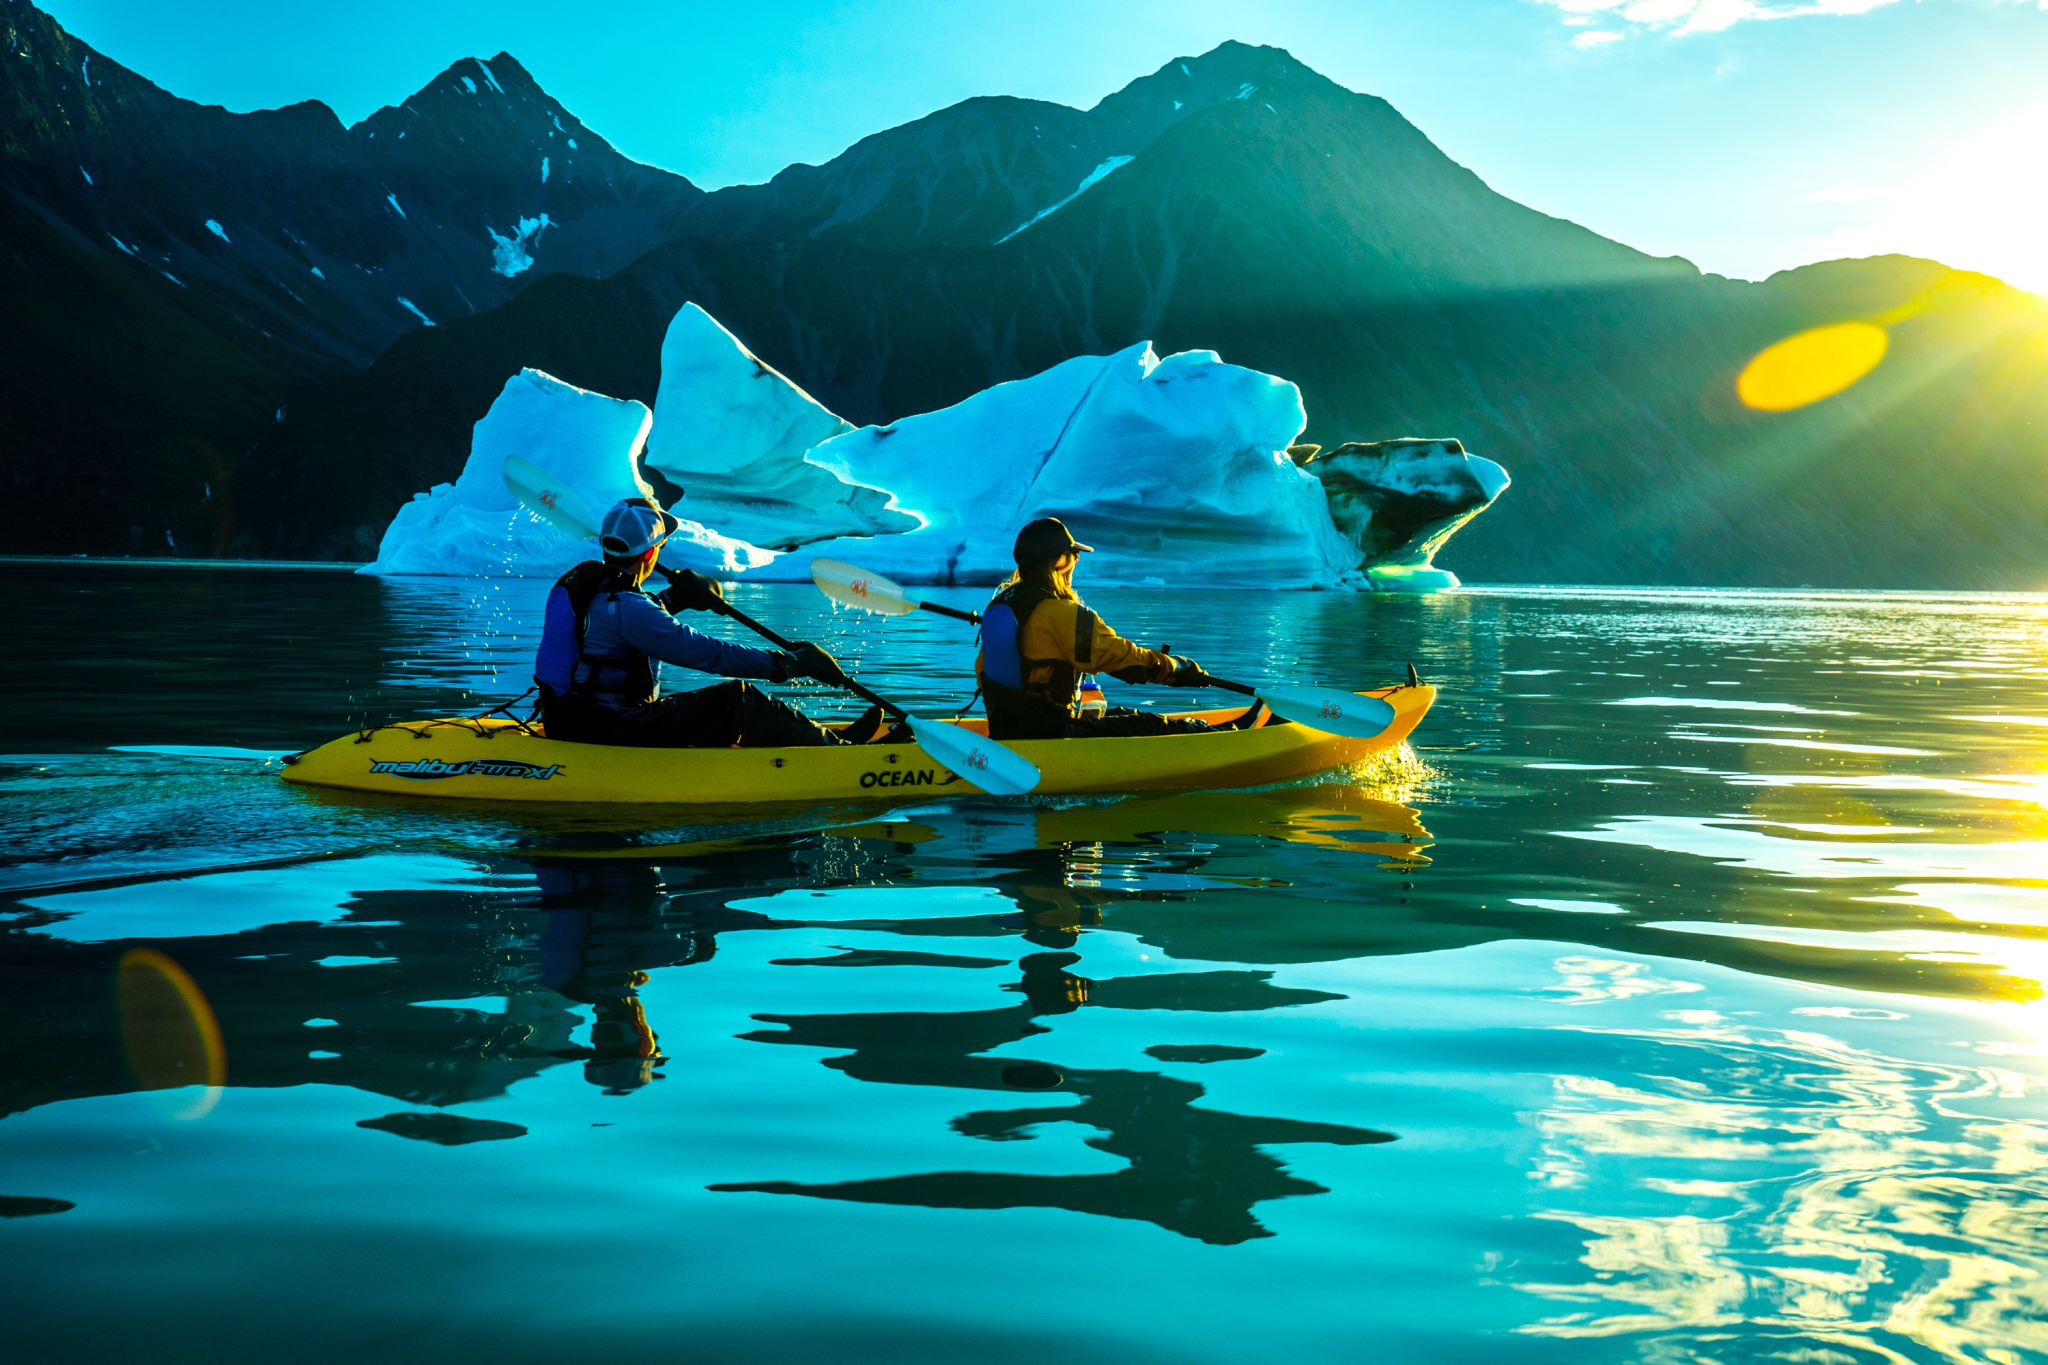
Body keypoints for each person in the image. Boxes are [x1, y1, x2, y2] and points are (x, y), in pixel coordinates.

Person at [534, 496, 882, 747]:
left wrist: (676, 599)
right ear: (651, 553)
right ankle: (836, 751)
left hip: (571, 720)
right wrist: (790, 664)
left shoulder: (575, 586)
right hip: (612, 731)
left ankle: (826, 739)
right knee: (737, 698)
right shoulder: (628, 607)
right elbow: (708, 654)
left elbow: (621, 626)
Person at [977, 517, 1247, 740]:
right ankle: (1227, 739)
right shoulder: (1061, 613)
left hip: (1009, 731)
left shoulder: (999, 609)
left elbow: (984, 672)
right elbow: (1121, 659)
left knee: (1119, 714)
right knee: (1153, 726)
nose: (1075, 563)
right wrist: (1175, 668)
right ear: (1060, 561)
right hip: (1054, 734)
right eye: (1074, 556)